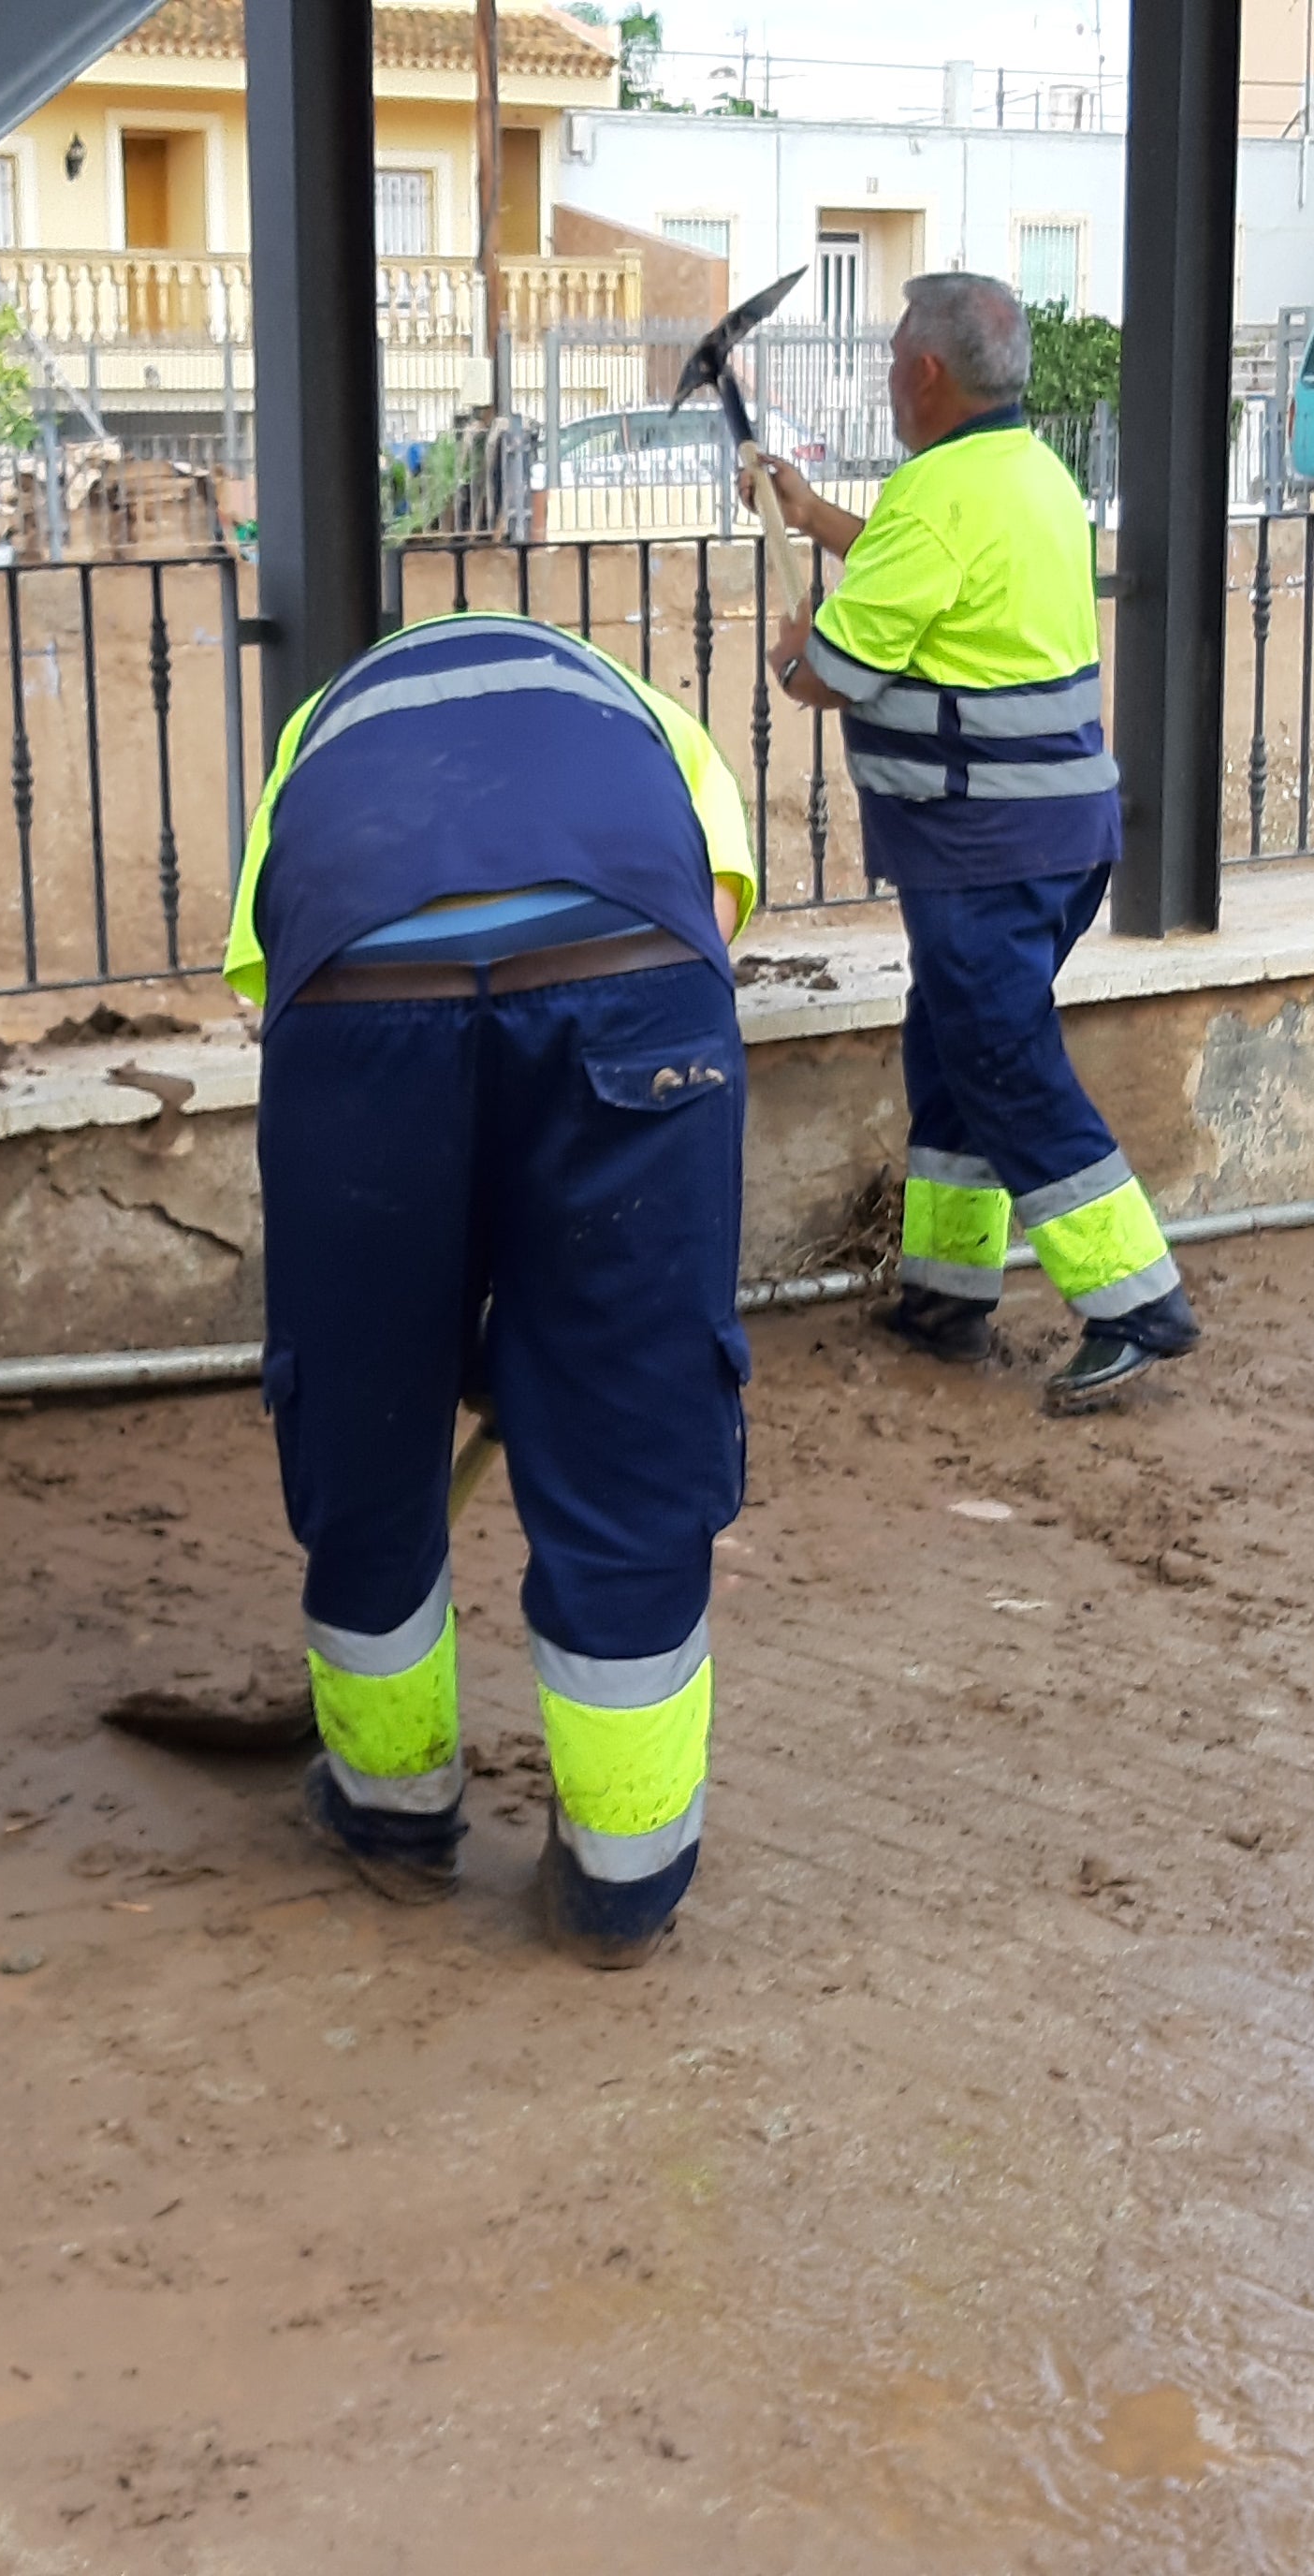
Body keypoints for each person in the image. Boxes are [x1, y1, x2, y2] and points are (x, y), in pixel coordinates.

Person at [229, 610, 760, 1969]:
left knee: (363, 1418)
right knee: (635, 1427)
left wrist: (428, 1312)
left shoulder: (315, 740)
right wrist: (565, 1319)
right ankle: (622, 1884)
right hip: (633, 989)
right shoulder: (645, 715)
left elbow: (264, 982)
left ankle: (390, 1818)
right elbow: (712, 927)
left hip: (360, 1007)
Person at [748, 271, 1199, 1413]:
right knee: (951, 1055)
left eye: (896, 344)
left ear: (925, 371)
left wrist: (795, 651)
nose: (890, 363)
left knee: (999, 1061)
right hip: (1056, 836)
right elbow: (929, 567)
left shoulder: (932, 497)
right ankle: (947, 1297)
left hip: (982, 845)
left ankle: (1137, 1304)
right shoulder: (1026, 473)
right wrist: (813, 520)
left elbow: (828, 677)